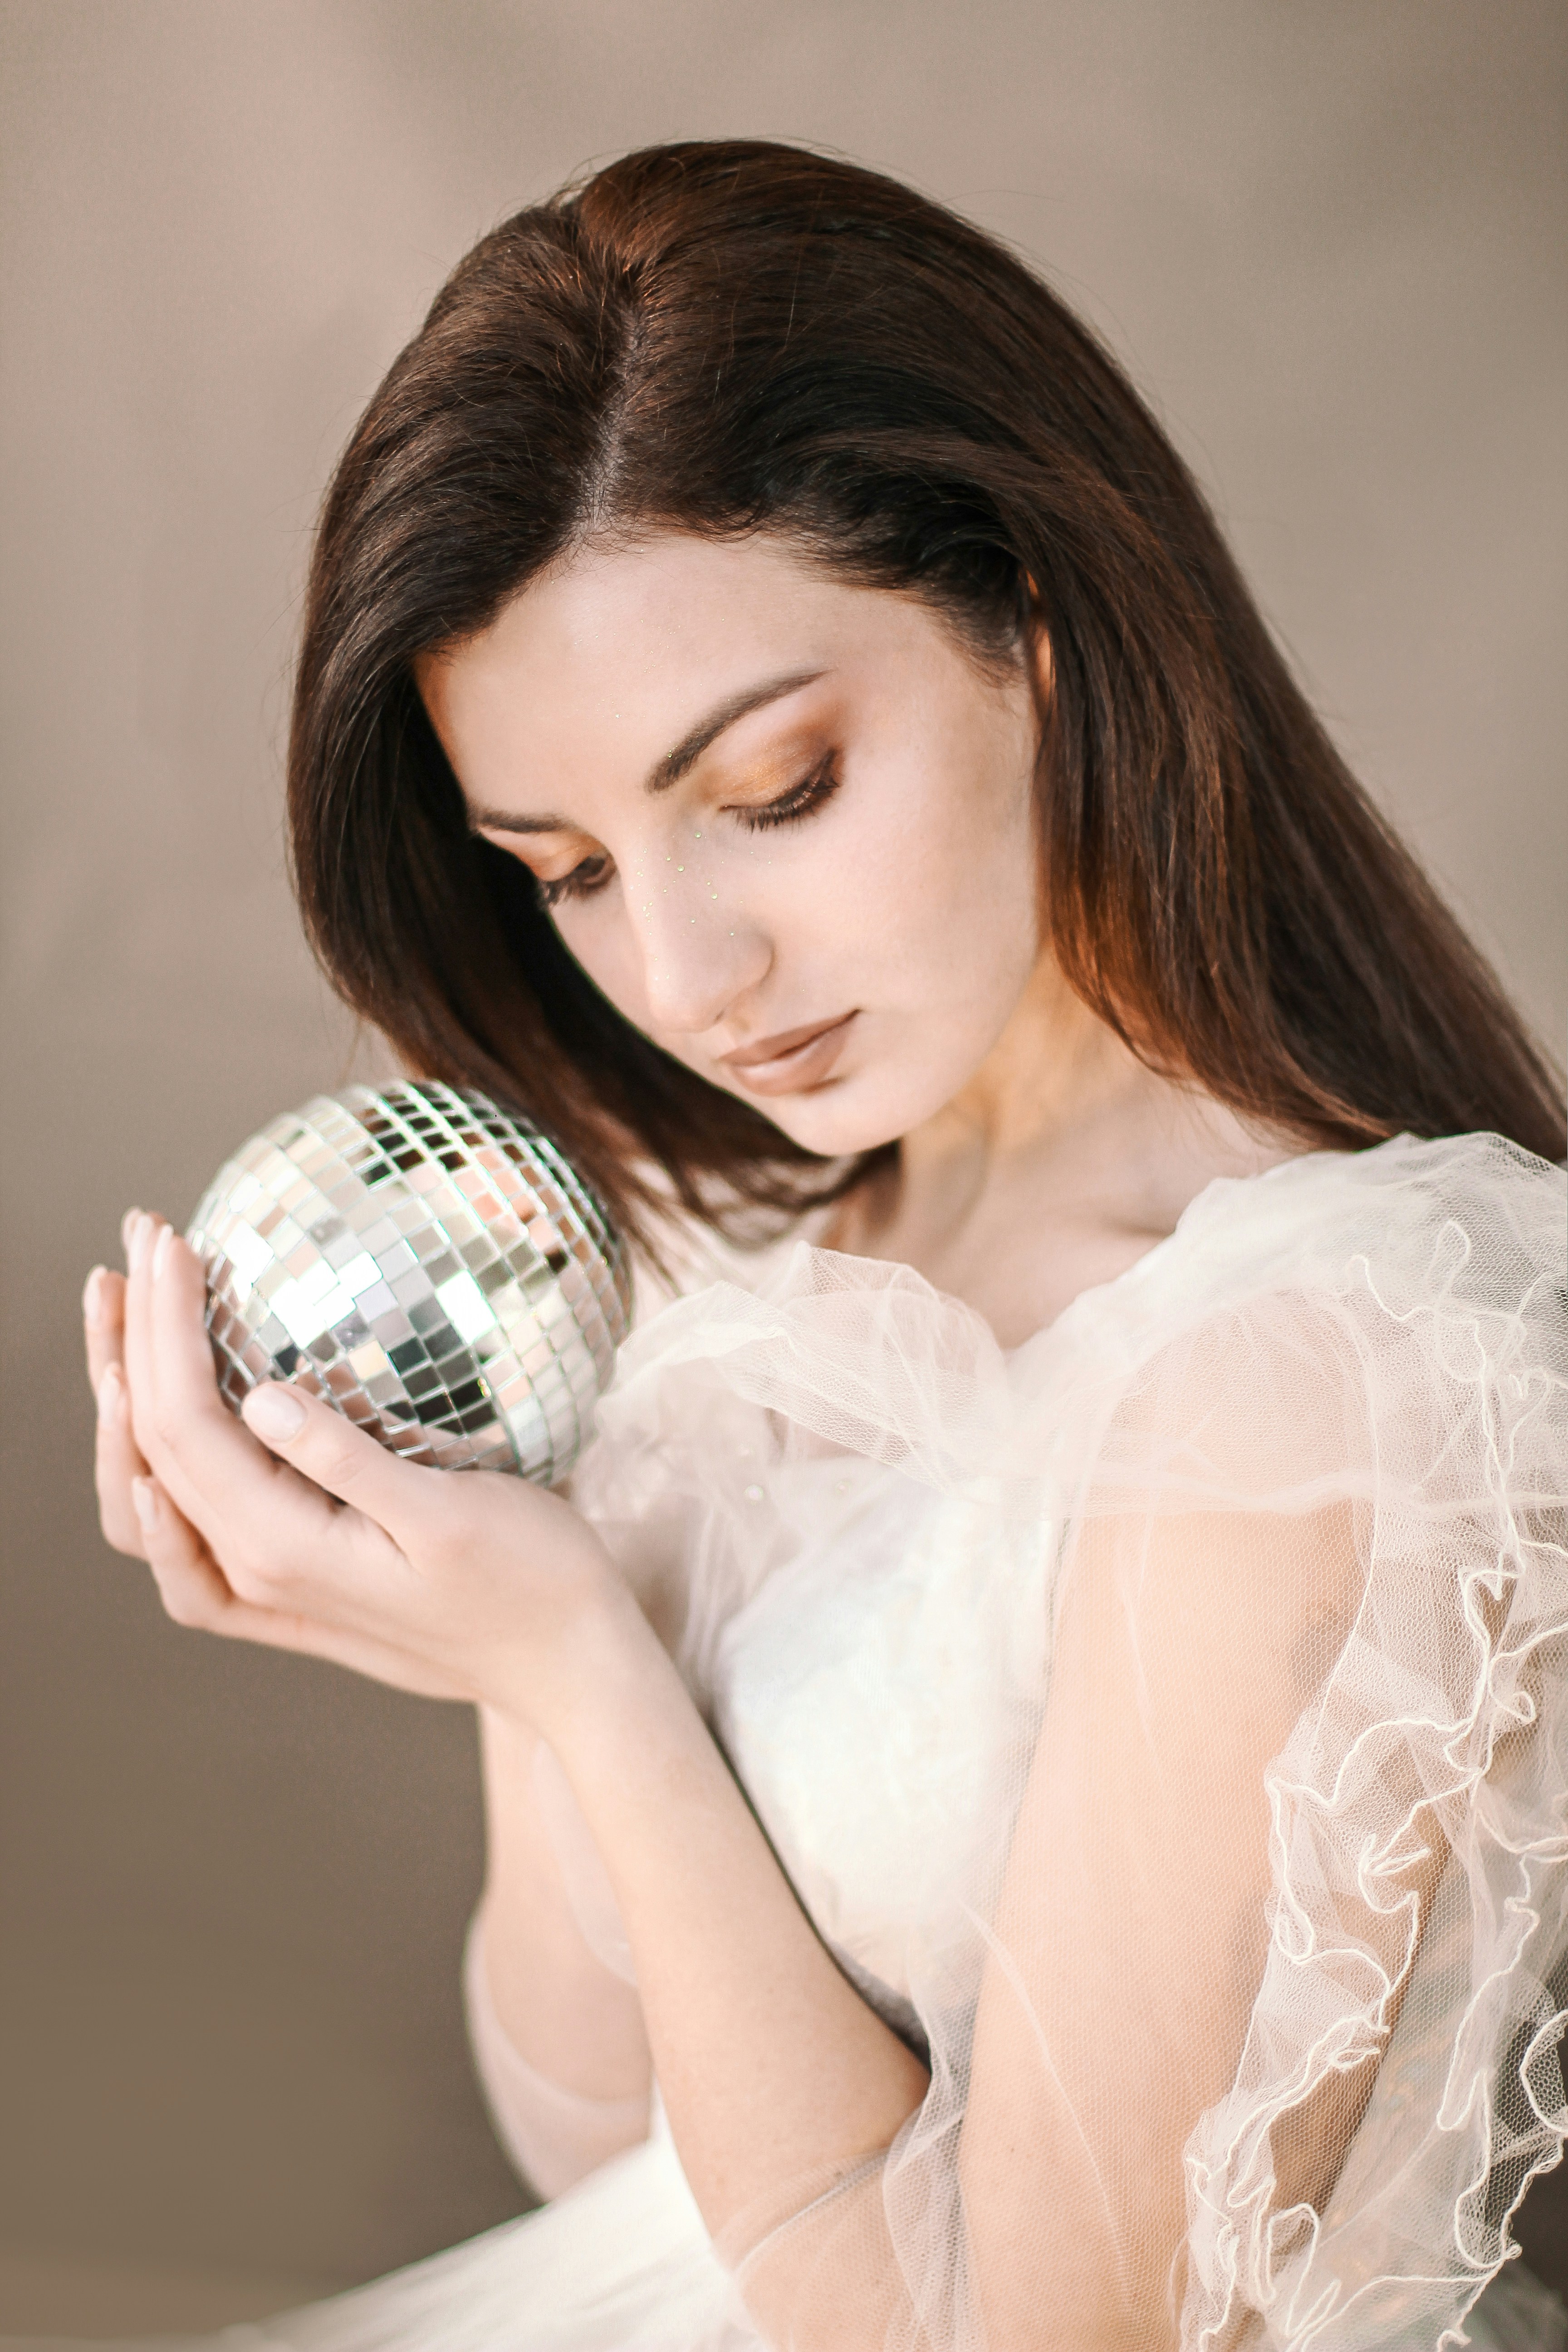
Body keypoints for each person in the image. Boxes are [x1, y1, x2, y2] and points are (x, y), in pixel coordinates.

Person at [76, 141, 1566, 2351]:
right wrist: (520, 1611)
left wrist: (586, 1661)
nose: (683, 974)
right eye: (567, 869)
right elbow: (616, 2157)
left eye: (774, 792)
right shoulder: (747, 1245)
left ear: (1040, 632)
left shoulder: (1312, 1370)